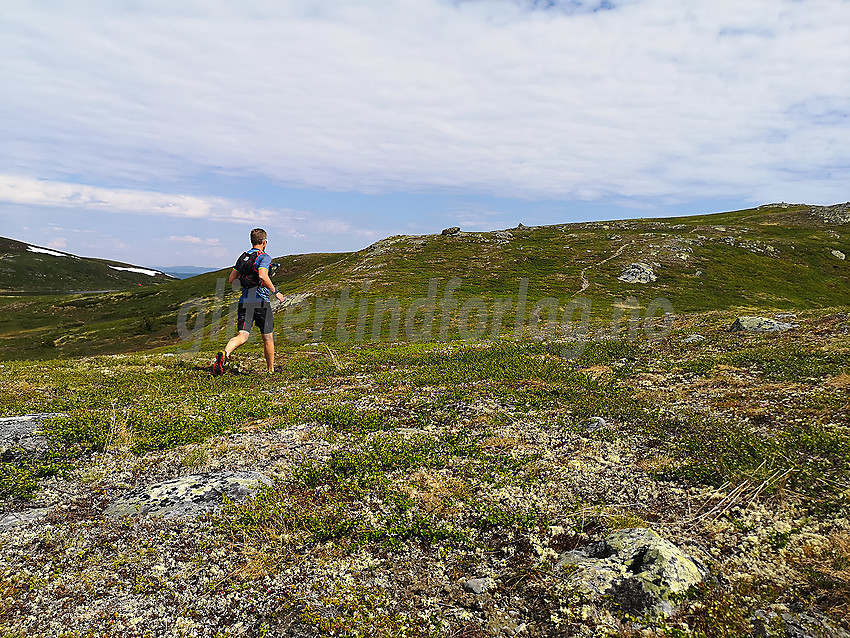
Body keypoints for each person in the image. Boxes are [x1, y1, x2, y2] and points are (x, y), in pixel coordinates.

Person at [213, 228, 285, 375]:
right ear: (264, 242)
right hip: (261, 301)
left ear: (252, 241)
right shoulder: (264, 257)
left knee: (242, 336)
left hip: (244, 301)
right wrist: (275, 292)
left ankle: (224, 353)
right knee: (268, 337)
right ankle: (270, 370)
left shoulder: (243, 257)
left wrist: (246, 283)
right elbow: (263, 276)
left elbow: (231, 280)